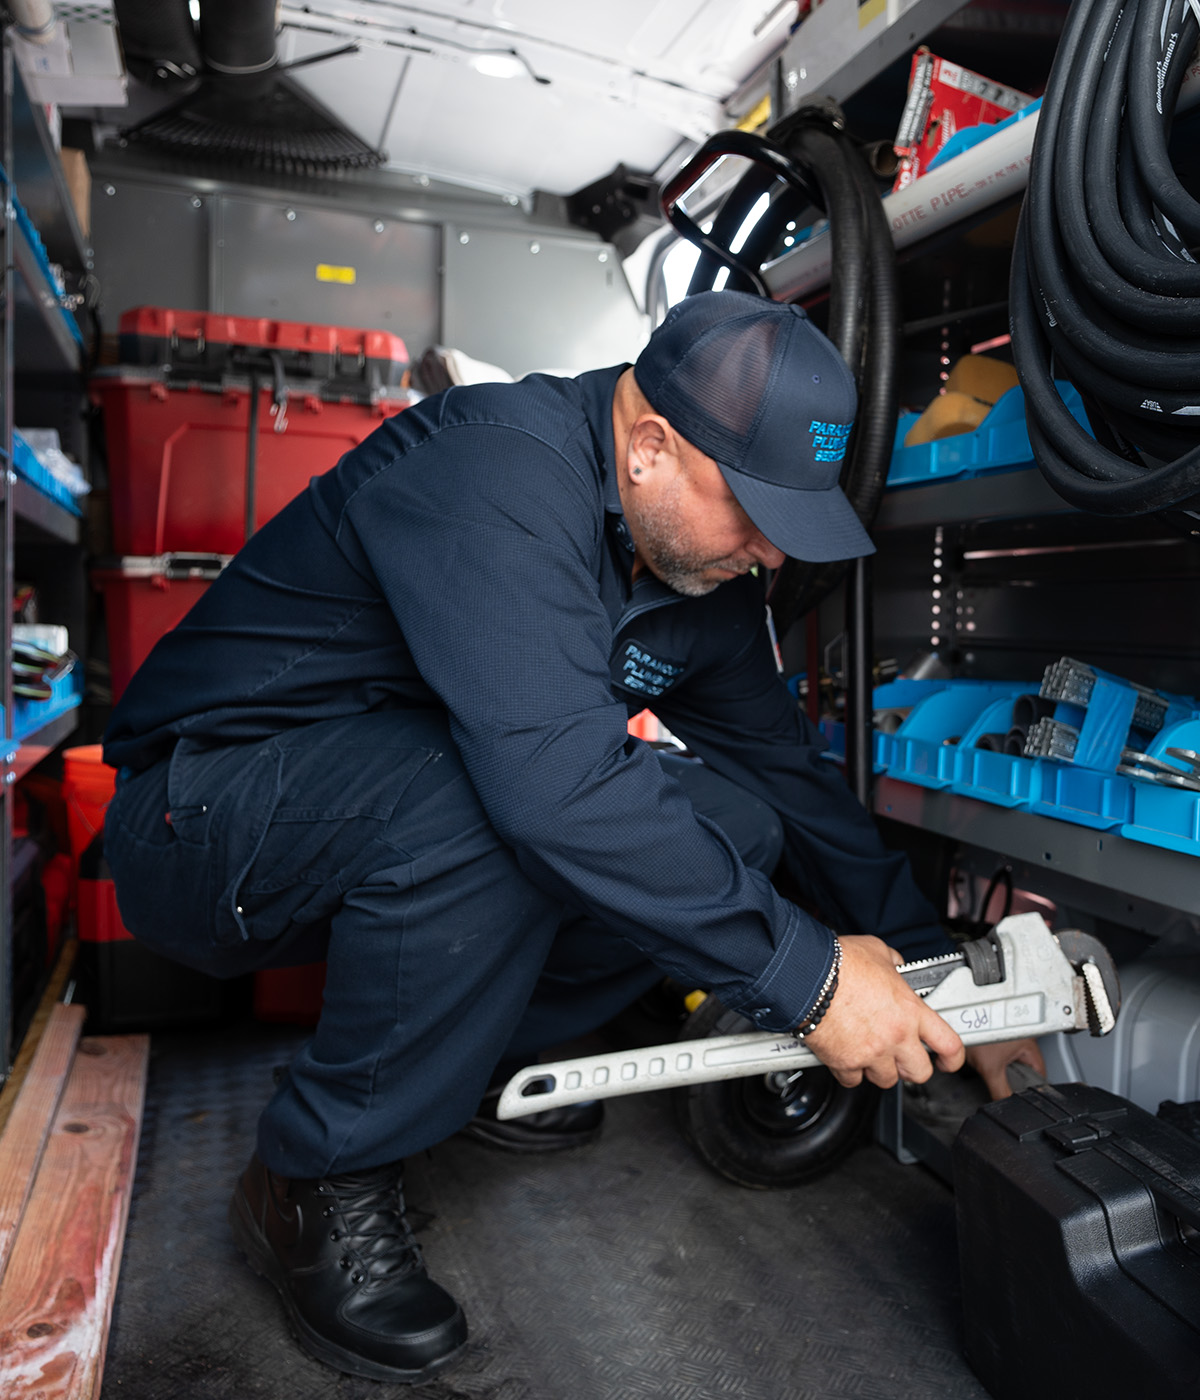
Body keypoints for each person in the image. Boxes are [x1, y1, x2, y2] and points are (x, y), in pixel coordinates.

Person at [102, 289, 1042, 1385]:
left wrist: (944, 977)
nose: (770, 557)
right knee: (507, 790)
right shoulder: (494, 471)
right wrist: (821, 982)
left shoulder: (703, 581)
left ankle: (472, 1066)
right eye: (751, 511)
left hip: (389, 817)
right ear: (648, 448)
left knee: (728, 815)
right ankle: (313, 1176)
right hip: (201, 819)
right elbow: (551, 788)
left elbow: (786, 782)